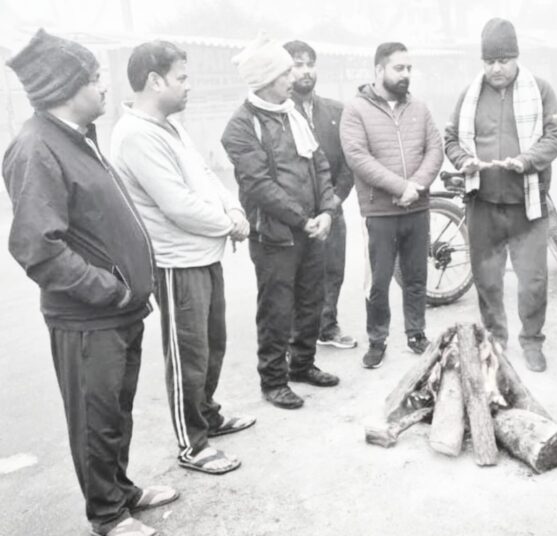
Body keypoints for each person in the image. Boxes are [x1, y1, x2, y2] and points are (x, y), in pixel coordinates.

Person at [2, 29, 177, 536]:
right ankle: (107, 514)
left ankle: (120, 490)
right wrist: (111, 289)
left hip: (118, 311)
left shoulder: (77, 138)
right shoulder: (36, 148)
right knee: (94, 418)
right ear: (65, 87)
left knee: (116, 412)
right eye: (95, 77)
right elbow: (38, 248)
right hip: (88, 317)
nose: (104, 86)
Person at [110, 41, 255, 475]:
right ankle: (192, 443)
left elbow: (206, 175)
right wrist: (229, 225)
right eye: (182, 77)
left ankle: (207, 415)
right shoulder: (136, 134)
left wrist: (234, 209)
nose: (188, 85)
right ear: (155, 81)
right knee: (188, 357)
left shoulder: (170, 126)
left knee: (212, 346)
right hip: (177, 263)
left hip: (203, 255)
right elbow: (177, 205)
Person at [221, 35, 340, 410]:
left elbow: (320, 165)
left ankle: (302, 365)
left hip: (311, 228)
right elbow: (258, 186)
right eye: (286, 72)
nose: (293, 78)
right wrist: (303, 220)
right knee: (276, 308)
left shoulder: (293, 114)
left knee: (311, 299)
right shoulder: (241, 126)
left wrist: (327, 211)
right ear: (266, 79)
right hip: (274, 236)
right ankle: (273, 380)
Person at [444, 18, 557, 372]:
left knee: (533, 279)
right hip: (482, 202)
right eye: (489, 61)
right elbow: (450, 139)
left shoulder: (540, 90)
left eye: (503, 60)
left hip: (527, 203)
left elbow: (555, 138)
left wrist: (527, 160)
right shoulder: (469, 95)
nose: (496, 68)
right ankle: (495, 338)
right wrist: (463, 160)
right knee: (487, 278)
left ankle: (532, 341)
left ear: (516, 57)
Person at [340, 42, 443, 369]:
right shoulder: (355, 110)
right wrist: (401, 187)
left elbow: (435, 149)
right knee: (379, 280)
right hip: (380, 212)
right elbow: (358, 157)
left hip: (417, 208)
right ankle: (377, 339)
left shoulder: (420, 108)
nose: (406, 74)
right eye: (399, 68)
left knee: (416, 276)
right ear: (379, 69)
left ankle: (416, 334)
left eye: (409, 68)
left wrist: (416, 186)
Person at [283, 40, 357, 350]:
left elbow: (349, 163)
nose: (305, 71)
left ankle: (327, 326)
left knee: (333, 269)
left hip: (332, 207)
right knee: (295, 275)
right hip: (294, 214)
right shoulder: (278, 114)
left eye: (310, 64)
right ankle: (296, 335)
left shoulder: (336, 111)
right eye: (297, 65)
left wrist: (333, 203)